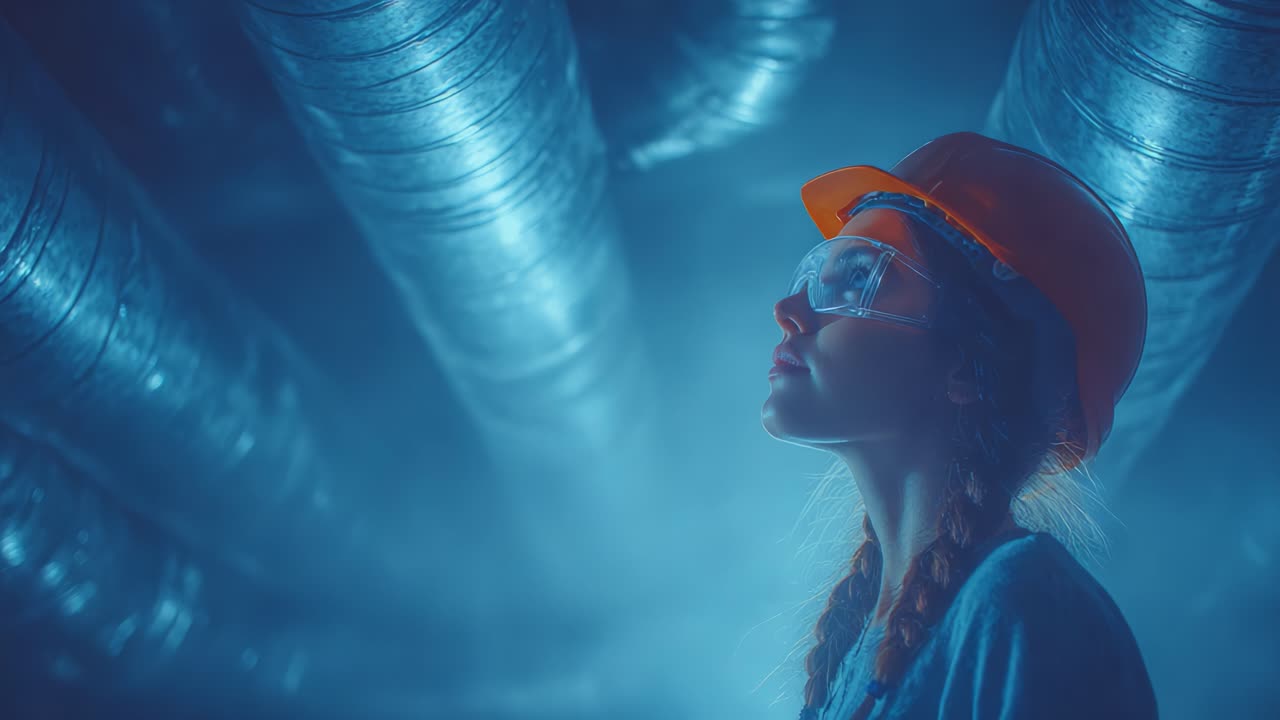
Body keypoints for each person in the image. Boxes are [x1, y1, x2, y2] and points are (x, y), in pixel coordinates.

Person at [761, 132, 1159, 719]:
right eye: (814, 277)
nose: (790, 311)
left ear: (966, 367)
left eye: (858, 278)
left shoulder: (1027, 606)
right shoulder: (869, 646)